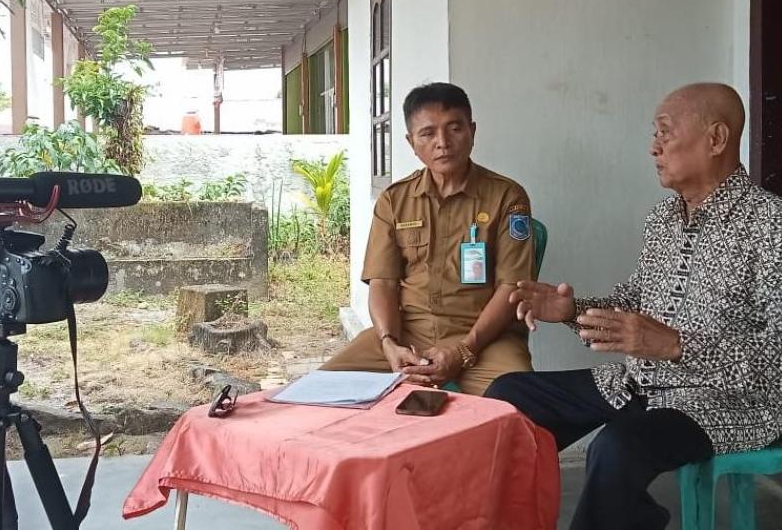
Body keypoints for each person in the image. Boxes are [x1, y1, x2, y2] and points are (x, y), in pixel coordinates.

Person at [485, 83, 782, 529]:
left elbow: (775, 360)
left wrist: (677, 346)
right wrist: (572, 311)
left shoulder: (769, 225)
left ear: (716, 139)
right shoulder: (661, 220)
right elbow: (633, 299)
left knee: (616, 447)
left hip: (724, 402)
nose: (652, 147)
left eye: (664, 132)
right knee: (509, 397)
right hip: (637, 383)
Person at [321, 82, 536, 396]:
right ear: (411, 142)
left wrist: (463, 350)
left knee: (521, 402)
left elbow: (511, 288)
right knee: (321, 392)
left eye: (454, 129)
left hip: (486, 340)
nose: (443, 143)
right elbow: (383, 282)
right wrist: (389, 343)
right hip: (408, 334)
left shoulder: (507, 197)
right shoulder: (394, 201)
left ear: (472, 131)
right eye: (428, 134)